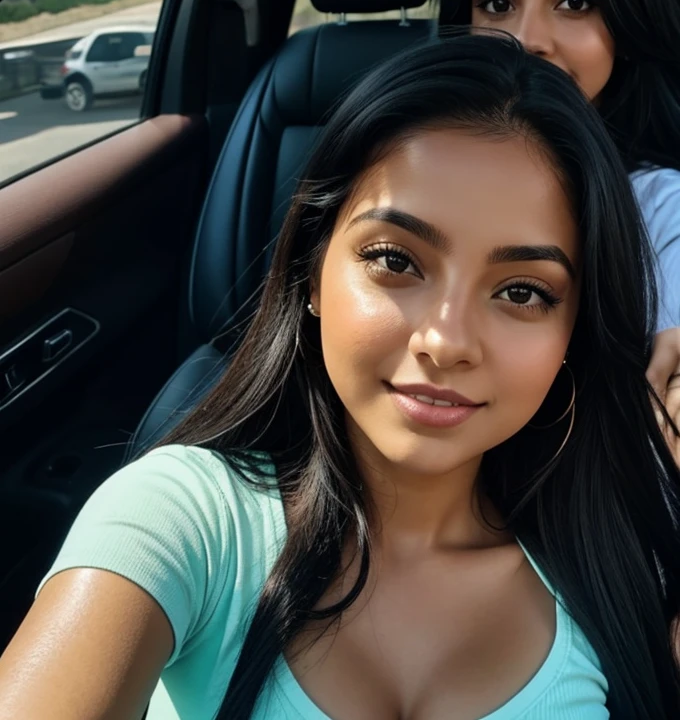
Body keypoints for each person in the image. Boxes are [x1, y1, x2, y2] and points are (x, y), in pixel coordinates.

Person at [1, 37, 679, 719]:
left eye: (523, 292)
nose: (446, 341)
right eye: (395, 260)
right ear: (313, 273)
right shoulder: (184, 517)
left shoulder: (618, 564)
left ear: (573, 333)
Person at [438, 0, 680, 451]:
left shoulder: (659, 209)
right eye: (497, 4)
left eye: (575, 2)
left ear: (626, 21)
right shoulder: (406, 171)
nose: (527, 41)